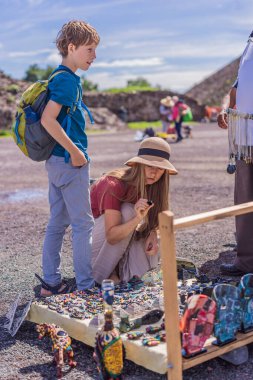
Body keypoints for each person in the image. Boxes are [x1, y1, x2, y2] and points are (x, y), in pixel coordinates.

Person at [37, 20, 100, 296]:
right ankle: (86, 287)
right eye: (89, 49)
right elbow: (48, 119)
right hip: (69, 160)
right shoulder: (67, 80)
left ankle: (51, 283)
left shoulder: (59, 77)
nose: (94, 56)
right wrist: (76, 152)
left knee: (58, 222)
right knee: (83, 224)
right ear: (71, 47)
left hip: (55, 161)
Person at [90, 137, 178, 284]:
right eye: (149, 166)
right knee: (129, 210)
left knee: (161, 234)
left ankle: (121, 273)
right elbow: (111, 236)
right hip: (97, 247)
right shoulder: (112, 184)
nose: (154, 173)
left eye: (160, 168)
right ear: (138, 164)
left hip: (122, 241)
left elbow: (156, 224)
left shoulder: (155, 187)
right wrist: (137, 218)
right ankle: (100, 275)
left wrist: (153, 233)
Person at [217, 30, 253, 276]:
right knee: (245, 200)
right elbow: (235, 89)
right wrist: (224, 109)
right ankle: (247, 261)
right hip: (245, 137)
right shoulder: (249, 47)